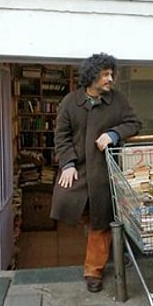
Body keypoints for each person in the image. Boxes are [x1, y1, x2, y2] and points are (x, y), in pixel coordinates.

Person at [50, 53, 142, 293]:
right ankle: (103, 247)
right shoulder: (70, 102)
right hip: (78, 170)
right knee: (73, 207)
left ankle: (94, 270)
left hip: (104, 173)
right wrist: (67, 164)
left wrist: (113, 134)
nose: (110, 79)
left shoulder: (118, 100)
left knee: (101, 221)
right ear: (91, 76)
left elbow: (134, 123)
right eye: (105, 74)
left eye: (111, 74)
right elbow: (61, 136)